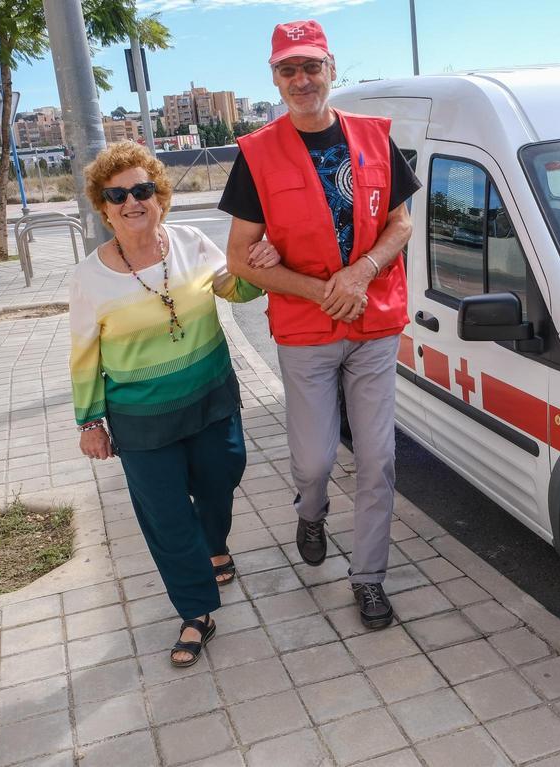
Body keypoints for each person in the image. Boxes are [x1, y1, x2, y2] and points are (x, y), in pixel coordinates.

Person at [220, 18, 420, 629]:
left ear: (332, 68)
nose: (302, 79)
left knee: (379, 459)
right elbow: (237, 259)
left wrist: (358, 276)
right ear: (275, 78)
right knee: (312, 460)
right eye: (289, 69)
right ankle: (310, 511)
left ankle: (368, 579)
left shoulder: (375, 138)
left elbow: (402, 224)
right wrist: (320, 290)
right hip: (306, 332)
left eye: (312, 67)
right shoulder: (256, 154)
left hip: (372, 323)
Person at [70, 142, 275, 666]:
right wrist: (90, 420)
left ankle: (215, 542)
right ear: (104, 207)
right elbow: (84, 356)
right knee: (164, 515)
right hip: (140, 419)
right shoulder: (89, 278)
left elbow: (235, 290)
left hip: (209, 397)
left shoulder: (191, 243)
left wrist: (260, 266)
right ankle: (194, 611)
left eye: (142, 190)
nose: (131, 202)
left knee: (223, 473)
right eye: (118, 195)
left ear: (160, 196)